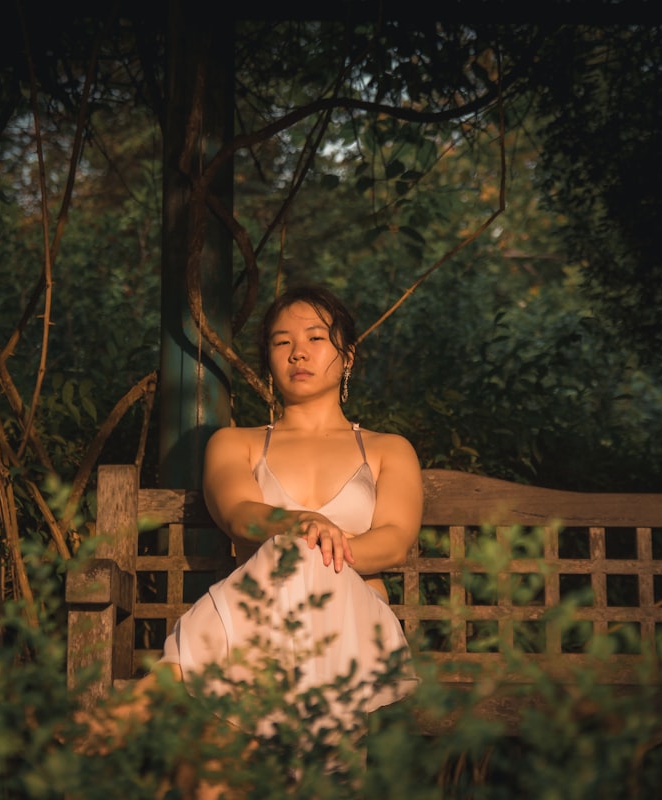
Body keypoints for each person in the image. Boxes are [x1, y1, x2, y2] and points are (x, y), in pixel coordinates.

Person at [79, 285, 423, 783]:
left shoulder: (388, 449)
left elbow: (393, 539)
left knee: (306, 553)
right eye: (282, 342)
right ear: (269, 360)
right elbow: (239, 514)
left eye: (315, 338)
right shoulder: (234, 443)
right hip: (252, 634)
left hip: (355, 629)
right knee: (298, 546)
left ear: (347, 356)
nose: (298, 352)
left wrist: (321, 543)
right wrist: (299, 524)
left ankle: (165, 685)